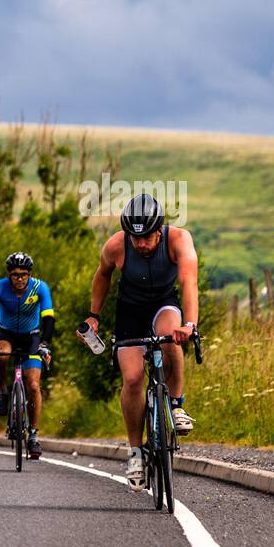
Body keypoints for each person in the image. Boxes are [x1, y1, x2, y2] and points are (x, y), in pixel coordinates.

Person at [77, 193, 199, 491]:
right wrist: (93, 316)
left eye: (147, 238)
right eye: (135, 238)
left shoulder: (179, 240)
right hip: (129, 310)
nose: (141, 244)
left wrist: (190, 325)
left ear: (160, 230)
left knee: (171, 339)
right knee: (132, 379)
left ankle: (177, 404)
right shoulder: (116, 246)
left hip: (164, 305)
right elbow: (102, 276)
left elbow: (188, 283)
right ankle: (135, 452)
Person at [0, 252, 55, 459]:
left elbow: (49, 319)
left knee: (33, 385)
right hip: (6, 334)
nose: (20, 278)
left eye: (24, 274)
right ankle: (3, 391)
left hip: (32, 336)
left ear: (30, 274)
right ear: (9, 275)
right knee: (2, 353)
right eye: (15, 275)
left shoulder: (40, 287)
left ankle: (33, 435)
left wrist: (45, 345)